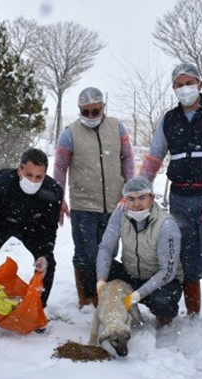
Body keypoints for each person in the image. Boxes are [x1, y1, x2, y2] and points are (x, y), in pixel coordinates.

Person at [138, 63, 202, 318]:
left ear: (200, 84)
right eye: (179, 84)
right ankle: (192, 312)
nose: (184, 88)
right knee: (186, 259)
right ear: (173, 88)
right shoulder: (169, 119)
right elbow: (155, 158)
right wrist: (141, 189)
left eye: (189, 83)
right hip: (179, 199)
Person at [53, 87, 135, 308]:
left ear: (103, 107)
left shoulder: (117, 127)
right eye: (85, 112)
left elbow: (127, 158)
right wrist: (59, 197)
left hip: (114, 204)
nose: (90, 116)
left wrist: (130, 188)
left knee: (109, 251)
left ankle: (102, 293)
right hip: (83, 204)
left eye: (95, 111)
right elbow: (60, 168)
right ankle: (85, 295)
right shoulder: (70, 133)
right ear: (79, 110)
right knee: (86, 254)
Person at [0, 149, 63, 307]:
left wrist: (43, 255)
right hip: (0, 224)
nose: (33, 181)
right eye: (29, 175)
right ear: (20, 170)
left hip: (31, 227)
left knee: (48, 264)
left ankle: (36, 308)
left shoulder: (53, 191)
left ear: (45, 175)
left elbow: (49, 229)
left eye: (39, 177)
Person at [96, 177, 183, 333]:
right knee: (90, 268)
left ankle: (164, 324)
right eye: (131, 199)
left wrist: (137, 295)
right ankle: (112, 313)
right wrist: (101, 280)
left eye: (142, 197)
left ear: (152, 197)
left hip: (160, 279)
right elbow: (106, 248)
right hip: (132, 274)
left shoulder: (166, 224)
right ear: (125, 200)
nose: (136, 204)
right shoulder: (120, 214)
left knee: (163, 302)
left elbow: (167, 272)